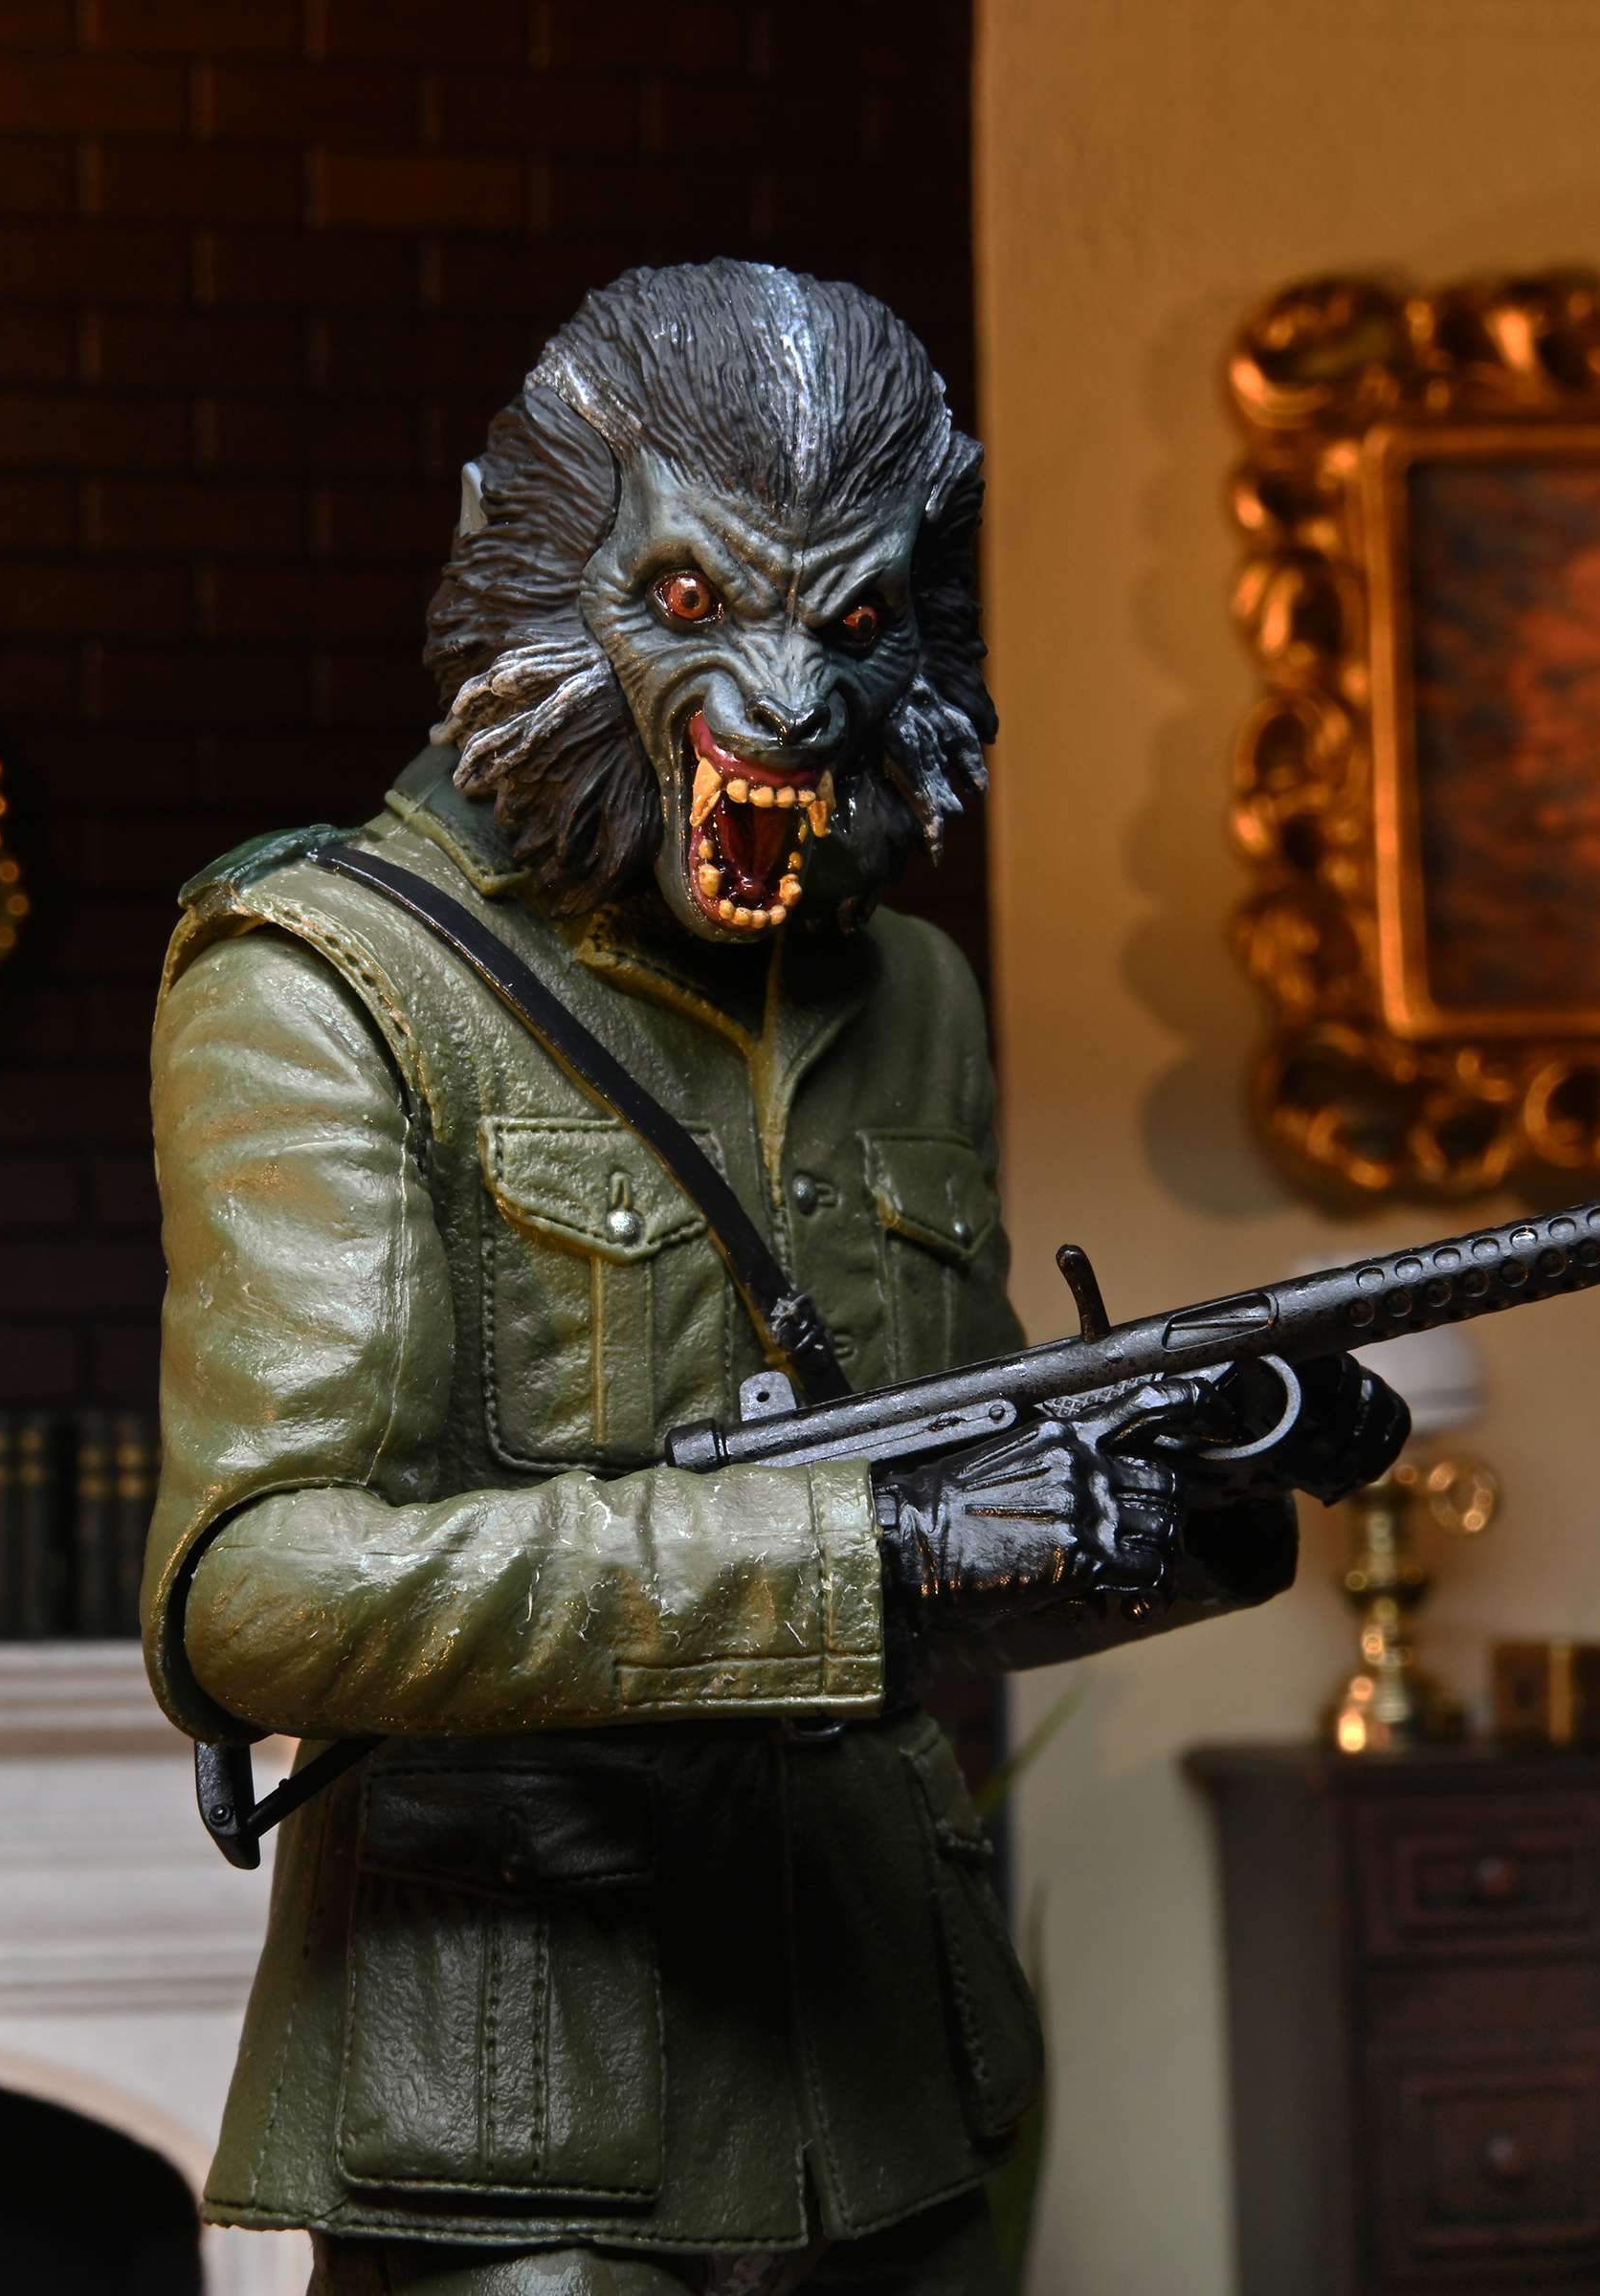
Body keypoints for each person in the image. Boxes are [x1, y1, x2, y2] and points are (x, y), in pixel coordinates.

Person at [143, 262, 1394, 2296]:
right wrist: (856, 1553)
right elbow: (259, 1600)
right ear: (535, 568)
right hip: (526, 2130)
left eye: (856, 624)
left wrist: (1199, 1493)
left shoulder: (916, 998)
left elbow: (968, 1531)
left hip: (889, 2096)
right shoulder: (326, 976)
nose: (795, 701)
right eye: (697, 600)